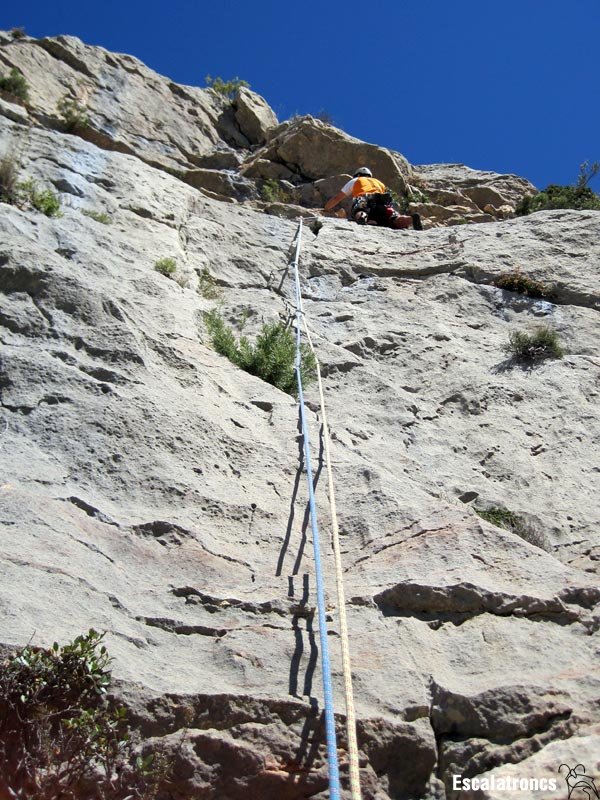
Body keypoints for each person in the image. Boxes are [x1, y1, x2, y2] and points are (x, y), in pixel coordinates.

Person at [324, 167, 423, 230]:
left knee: (360, 209)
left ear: (358, 174)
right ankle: (411, 218)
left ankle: (362, 217)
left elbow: (338, 197)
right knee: (393, 219)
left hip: (364, 198)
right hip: (383, 202)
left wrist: (326, 208)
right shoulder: (379, 182)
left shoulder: (356, 180)